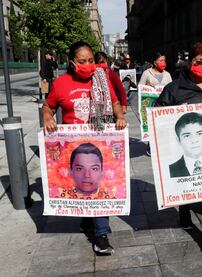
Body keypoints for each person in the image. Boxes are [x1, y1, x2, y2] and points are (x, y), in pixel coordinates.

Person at [42, 41, 127, 255]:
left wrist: (119, 116)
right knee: (81, 186)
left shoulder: (102, 80)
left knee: (101, 186)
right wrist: (47, 118)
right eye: (82, 61)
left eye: (91, 60)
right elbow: (48, 106)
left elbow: (115, 103)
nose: (88, 65)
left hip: (99, 143)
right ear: (72, 63)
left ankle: (101, 236)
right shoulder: (61, 84)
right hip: (74, 148)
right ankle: (88, 218)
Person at [155, 42, 202, 252]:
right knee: (187, 182)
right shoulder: (175, 88)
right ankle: (185, 210)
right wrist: (175, 113)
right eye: (199, 62)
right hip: (184, 149)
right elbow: (157, 113)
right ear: (190, 62)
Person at [139, 52, 173, 156]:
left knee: (163, 126)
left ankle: (163, 147)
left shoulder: (167, 74)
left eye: (164, 60)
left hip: (164, 105)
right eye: (161, 60)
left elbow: (172, 88)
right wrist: (150, 90)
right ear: (155, 62)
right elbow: (140, 87)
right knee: (152, 125)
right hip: (151, 104)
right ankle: (151, 146)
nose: (163, 63)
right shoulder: (146, 73)